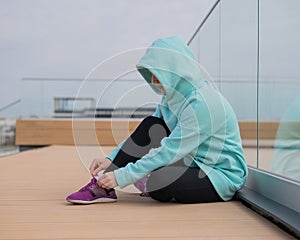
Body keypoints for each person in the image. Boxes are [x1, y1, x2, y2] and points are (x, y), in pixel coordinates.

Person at [66, 36, 248, 204]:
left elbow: (169, 151)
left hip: (219, 175)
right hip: (189, 160)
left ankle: (141, 179)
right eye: (151, 74)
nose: (153, 80)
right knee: (151, 125)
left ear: (176, 70)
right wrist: (111, 160)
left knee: (159, 182)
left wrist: (122, 176)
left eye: (158, 73)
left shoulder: (204, 104)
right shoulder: (170, 97)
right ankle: (102, 186)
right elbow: (148, 133)